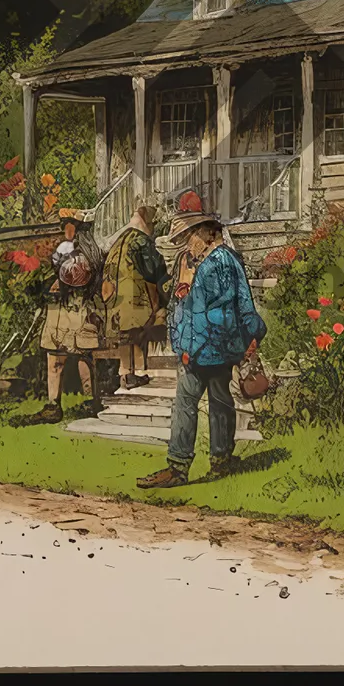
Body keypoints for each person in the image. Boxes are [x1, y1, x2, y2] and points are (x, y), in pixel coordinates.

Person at [138, 212, 267, 489]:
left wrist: (250, 335)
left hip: (209, 345)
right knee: (211, 402)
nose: (188, 243)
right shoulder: (204, 261)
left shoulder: (219, 262)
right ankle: (212, 461)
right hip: (206, 346)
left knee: (198, 402)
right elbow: (191, 303)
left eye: (191, 236)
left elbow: (224, 309)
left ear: (208, 233)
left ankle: (185, 464)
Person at [23, 207, 104, 426]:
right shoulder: (64, 248)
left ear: (78, 228)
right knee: (54, 356)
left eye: (69, 224)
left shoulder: (90, 251)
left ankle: (89, 400)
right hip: (59, 307)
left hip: (79, 307)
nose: (66, 229)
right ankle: (53, 405)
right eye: (64, 225)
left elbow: (82, 278)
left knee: (82, 354)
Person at [99, 202, 168, 389]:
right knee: (137, 333)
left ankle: (125, 373)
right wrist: (159, 298)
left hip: (115, 299)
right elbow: (152, 272)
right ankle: (137, 372)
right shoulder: (141, 241)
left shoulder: (119, 241)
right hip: (134, 297)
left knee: (125, 336)